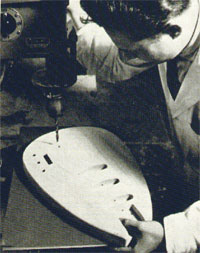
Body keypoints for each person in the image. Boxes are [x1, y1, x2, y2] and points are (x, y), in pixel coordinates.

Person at [67, 0, 200, 252]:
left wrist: (172, 234)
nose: (126, 57)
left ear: (173, 31)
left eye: (132, 51)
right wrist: (74, 12)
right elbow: (117, 60)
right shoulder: (169, 23)